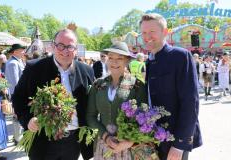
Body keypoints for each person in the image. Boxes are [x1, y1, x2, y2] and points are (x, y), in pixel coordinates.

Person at [12, 29, 94, 160]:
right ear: (53, 46)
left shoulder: (87, 71)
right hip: (42, 140)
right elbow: (17, 98)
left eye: (70, 46)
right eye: (60, 45)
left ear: (76, 49)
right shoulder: (34, 68)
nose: (65, 50)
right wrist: (27, 120)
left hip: (73, 141)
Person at [140, 13, 202, 160]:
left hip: (174, 139)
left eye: (152, 32)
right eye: (144, 33)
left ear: (165, 32)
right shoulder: (149, 61)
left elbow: (190, 102)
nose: (147, 36)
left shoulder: (180, 56)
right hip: (154, 137)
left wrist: (180, 144)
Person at [86, 42, 147, 160]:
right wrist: (106, 137)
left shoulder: (137, 85)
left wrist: (129, 141)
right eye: (111, 58)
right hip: (103, 146)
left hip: (128, 148)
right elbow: (90, 116)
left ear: (127, 61)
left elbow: (144, 118)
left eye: (120, 58)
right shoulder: (98, 85)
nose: (114, 62)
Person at [5, 43, 26, 145]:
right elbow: (15, 83)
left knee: (19, 115)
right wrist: (20, 96)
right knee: (17, 115)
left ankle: (17, 137)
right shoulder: (13, 63)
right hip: (17, 94)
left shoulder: (18, 61)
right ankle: (18, 139)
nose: (23, 52)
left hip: (19, 94)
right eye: (21, 50)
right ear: (15, 51)